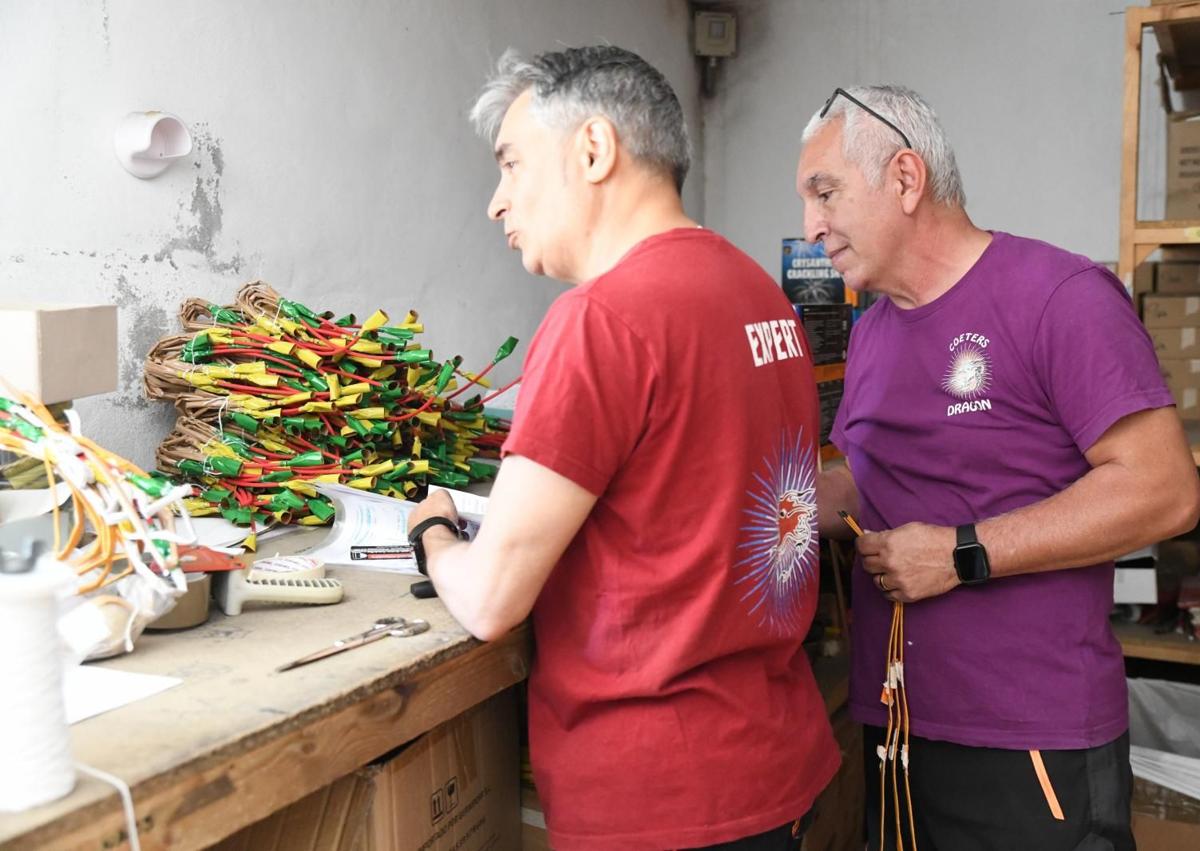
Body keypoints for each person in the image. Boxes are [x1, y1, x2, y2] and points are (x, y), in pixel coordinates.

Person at [405, 46, 840, 850]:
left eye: (511, 164)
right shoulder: (761, 297)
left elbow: (492, 599)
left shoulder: (601, 318)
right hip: (768, 759)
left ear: (594, 149)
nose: (498, 203)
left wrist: (431, 532)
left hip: (661, 794)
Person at [798, 84, 1200, 850]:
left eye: (825, 192)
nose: (810, 225)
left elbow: (1166, 490)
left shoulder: (1059, 297)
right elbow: (870, 477)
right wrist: (794, 501)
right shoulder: (876, 327)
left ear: (906, 180)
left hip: (1030, 743)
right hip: (899, 731)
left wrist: (962, 552)